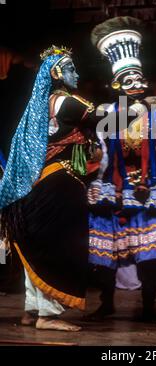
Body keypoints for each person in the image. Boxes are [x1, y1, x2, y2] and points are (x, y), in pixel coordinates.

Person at [86, 17, 156, 322]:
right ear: (117, 84)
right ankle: (107, 302)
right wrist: (101, 180)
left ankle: (148, 306)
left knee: (150, 253)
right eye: (128, 81)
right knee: (108, 254)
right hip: (116, 189)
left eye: (139, 80)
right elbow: (103, 153)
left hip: (147, 189)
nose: (136, 85)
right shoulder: (109, 114)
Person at [0, 45, 103, 331]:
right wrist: (139, 108)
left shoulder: (39, 106)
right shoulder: (67, 103)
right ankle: (46, 316)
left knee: (38, 249)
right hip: (56, 186)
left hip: (37, 186)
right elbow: (109, 120)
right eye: (71, 68)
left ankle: (31, 312)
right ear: (57, 73)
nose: (77, 73)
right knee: (58, 249)